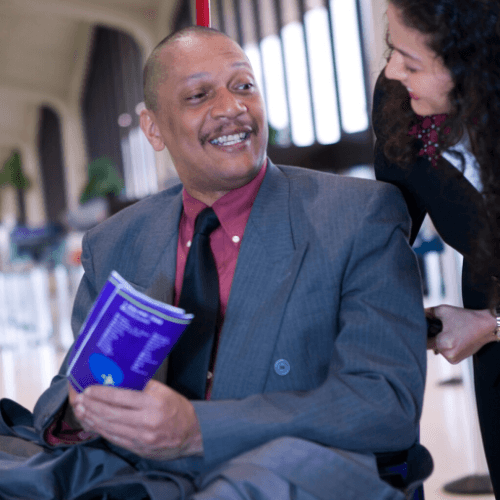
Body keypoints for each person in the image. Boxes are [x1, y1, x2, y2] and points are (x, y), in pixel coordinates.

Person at [0, 26, 427, 500]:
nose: (231, 108)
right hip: (142, 478)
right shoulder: (117, 242)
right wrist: (85, 410)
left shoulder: (355, 216)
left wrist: (198, 428)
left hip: (281, 476)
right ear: (153, 129)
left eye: (243, 85)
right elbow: (66, 390)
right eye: (199, 95)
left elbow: (385, 405)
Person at [372, 0, 500, 496]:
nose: (391, 70)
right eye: (392, 50)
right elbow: (389, 220)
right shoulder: (398, 97)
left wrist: (490, 325)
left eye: (411, 62)